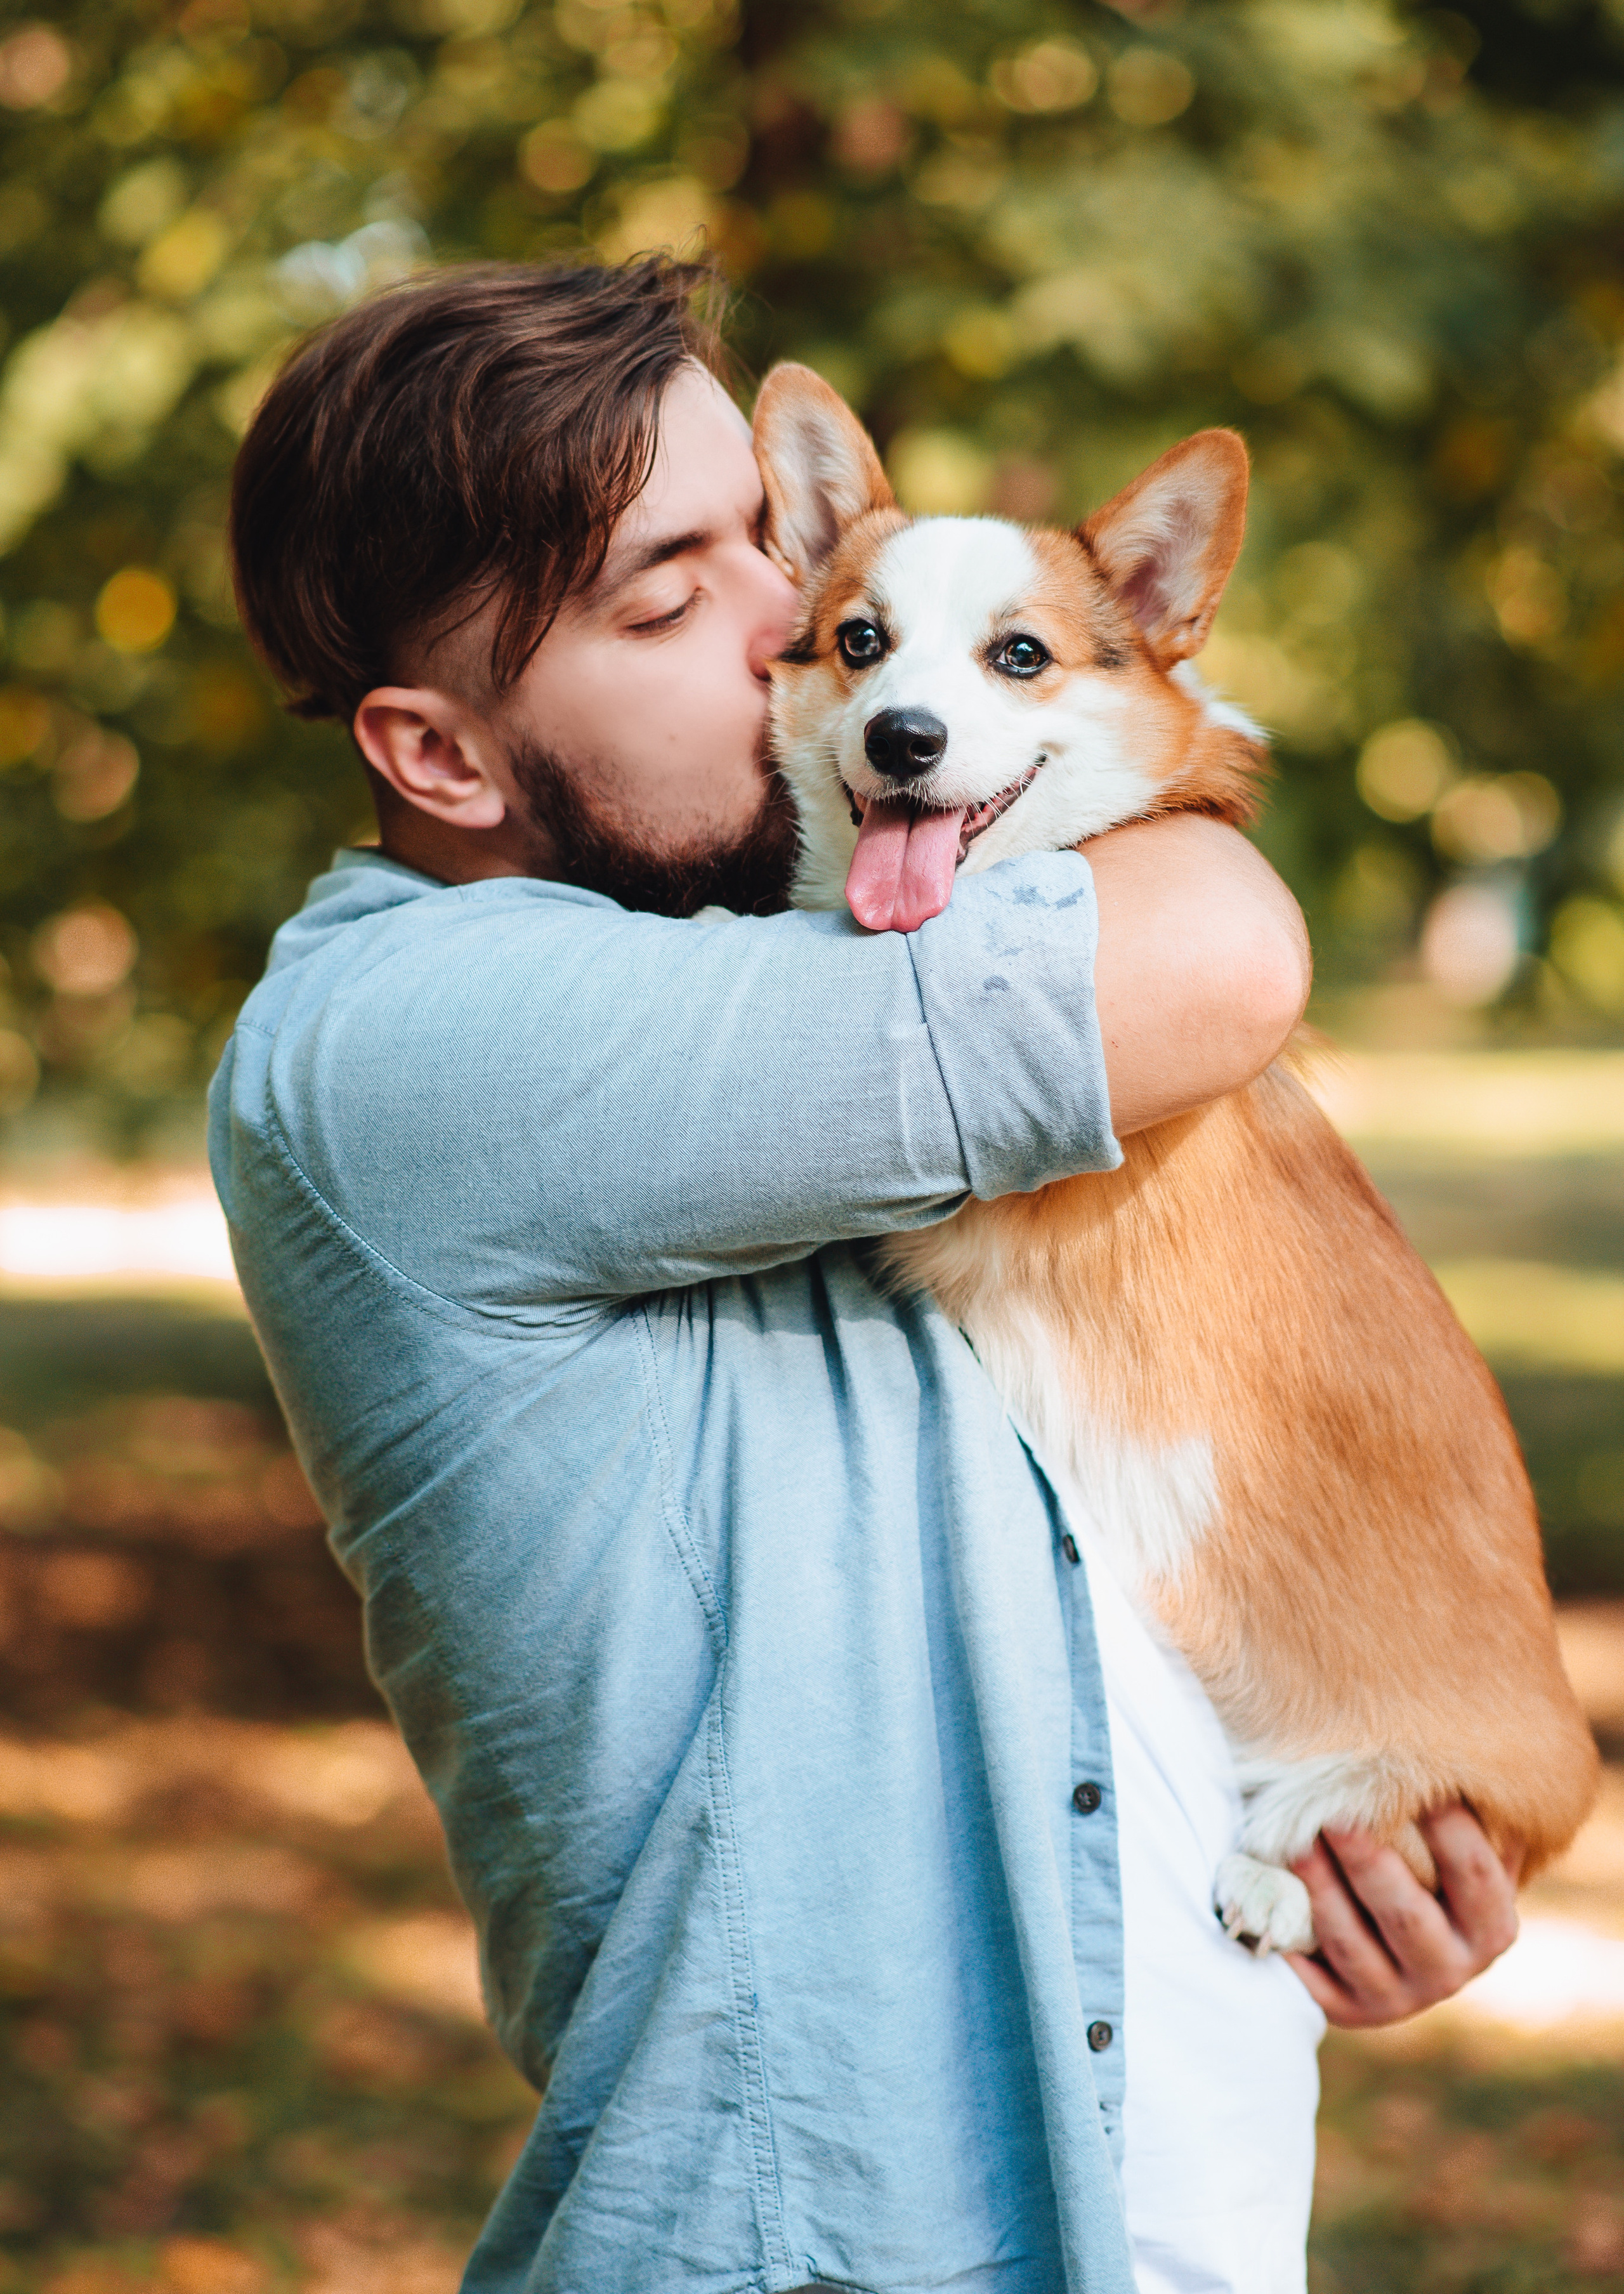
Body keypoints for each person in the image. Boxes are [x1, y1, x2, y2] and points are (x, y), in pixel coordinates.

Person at [213, 257, 1519, 2294]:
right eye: (668, 599)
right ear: (438, 756)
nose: (790, 632)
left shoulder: (805, 1002)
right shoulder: (420, 1046)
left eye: (762, 535)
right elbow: (1218, 947)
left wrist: (1326, 1836)